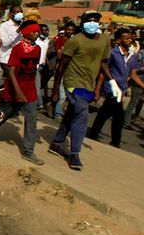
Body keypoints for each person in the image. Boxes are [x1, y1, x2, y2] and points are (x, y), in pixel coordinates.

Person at [49, 11, 113, 170]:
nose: (92, 24)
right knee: (82, 113)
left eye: (95, 21)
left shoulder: (104, 41)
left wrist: (110, 82)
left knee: (73, 112)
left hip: (88, 84)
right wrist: (56, 90)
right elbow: (61, 67)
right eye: (89, 21)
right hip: (73, 82)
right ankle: (74, 153)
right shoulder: (75, 41)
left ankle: (56, 143)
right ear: (83, 23)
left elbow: (103, 63)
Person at [0, 21, 45, 165]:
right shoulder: (17, 49)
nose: (37, 33)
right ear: (26, 33)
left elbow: (33, 71)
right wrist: (19, 92)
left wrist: (32, 89)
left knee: (32, 119)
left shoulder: (38, 49)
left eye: (38, 31)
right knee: (3, 115)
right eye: (34, 32)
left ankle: (28, 151)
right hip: (13, 90)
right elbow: (11, 71)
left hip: (29, 91)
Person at [88, 27, 144, 147]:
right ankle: (115, 142)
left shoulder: (132, 56)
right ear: (119, 40)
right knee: (118, 116)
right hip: (111, 88)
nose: (130, 40)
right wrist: (97, 89)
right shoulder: (113, 53)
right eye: (126, 38)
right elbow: (104, 71)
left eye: (130, 38)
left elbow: (133, 74)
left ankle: (93, 133)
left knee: (105, 113)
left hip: (122, 89)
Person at [50, 21, 76, 120]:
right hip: (62, 68)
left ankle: (55, 107)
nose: (70, 31)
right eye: (68, 29)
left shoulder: (75, 40)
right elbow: (60, 55)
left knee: (69, 93)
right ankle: (58, 114)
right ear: (65, 30)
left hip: (72, 70)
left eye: (72, 30)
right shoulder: (60, 40)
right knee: (61, 93)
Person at [0, 6, 23, 79]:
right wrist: (17, 31)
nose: (20, 14)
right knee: (12, 81)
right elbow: (5, 43)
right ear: (12, 14)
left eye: (21, 12)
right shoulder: (4, 26)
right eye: (18, 12)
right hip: (7, 59)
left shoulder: (23, 25)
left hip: (19, 59)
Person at [35, 23, 50, 110]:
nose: (45, 32)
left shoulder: (47, 40)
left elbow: (45, 54)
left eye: (46, 30)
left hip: (42, 66)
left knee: (39, 85)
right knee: (37, 86)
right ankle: (39, 104)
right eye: (43, 30)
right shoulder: (36, 41)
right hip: (35, 66)